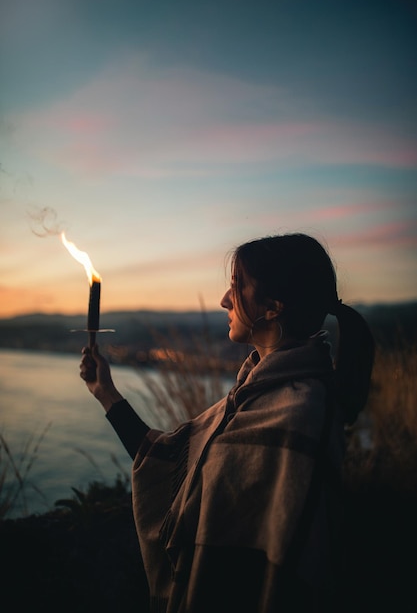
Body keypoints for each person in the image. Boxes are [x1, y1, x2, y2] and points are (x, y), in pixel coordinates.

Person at [80, 232, 374, 613]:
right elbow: (168, 458)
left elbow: (289, 563)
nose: (223, 300)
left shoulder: (301, 412)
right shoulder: (251, 396)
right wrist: (105, 391)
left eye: (236, 286)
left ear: (273, 307)